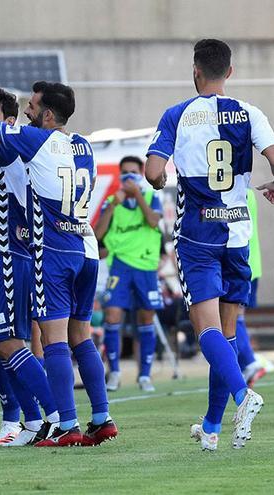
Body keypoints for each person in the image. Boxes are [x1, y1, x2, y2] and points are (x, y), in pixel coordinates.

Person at [0, 60, 117, 447]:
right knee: (82, 338)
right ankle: (103, 417)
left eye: (33, 106)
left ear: (49, 115)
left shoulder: (37, 140)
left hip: (54, 251)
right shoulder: (83, 144)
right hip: (87, 247)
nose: (27, 111)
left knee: (53, 341)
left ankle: (66, 425)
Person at [145, 39, 274, 451]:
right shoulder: (250, 112)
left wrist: (159, 181)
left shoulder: (177, 114)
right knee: (225, 335)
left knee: (205, 328)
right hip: (238, 233)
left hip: (198, 236)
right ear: (230, 72)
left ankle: (244, 397)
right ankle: (210, 427)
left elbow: (155, 171)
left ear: (195, 72)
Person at [0, 88, 60, 446]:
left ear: (8, 123)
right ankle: (30, 421)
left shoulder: (4, 148)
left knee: (8, 343)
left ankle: (57, 417)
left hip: (7, 255)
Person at [94, 155, 164, 393]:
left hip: (146, 267)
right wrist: (113, 205)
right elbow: (97, 234)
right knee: (112, 315)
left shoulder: (152, 197)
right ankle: (114, 372)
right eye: (124, 173)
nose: (128, 177)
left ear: (141, 173)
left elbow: (154, 222)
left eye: (133, 172)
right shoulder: (112, 201)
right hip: (120, 266)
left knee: (146, 318)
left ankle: (145, 375)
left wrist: (138, 198)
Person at [235, 188, 266, 386]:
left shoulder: (239, 193)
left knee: (231, 316)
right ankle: (244, 365)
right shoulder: (248, 192)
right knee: (234, 317)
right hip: (249, 265)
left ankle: (249, 363)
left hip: (241, 265)